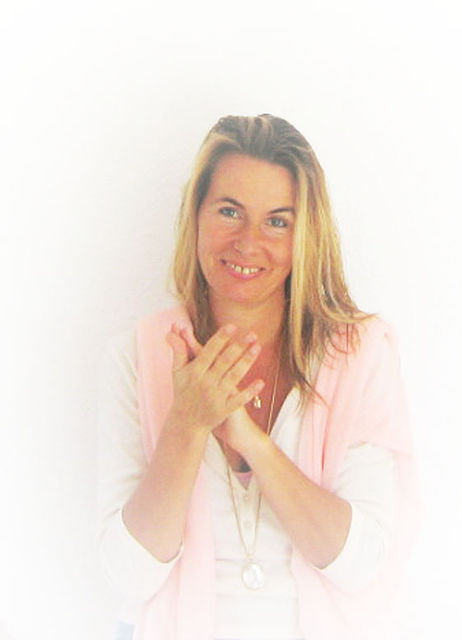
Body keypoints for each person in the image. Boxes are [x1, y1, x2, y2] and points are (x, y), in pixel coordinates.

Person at [96, 114, 419, 640]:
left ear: (306, 234)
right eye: (229, 211)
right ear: (196, 216)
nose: (248, 243)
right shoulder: (137, 356)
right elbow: (128, 578)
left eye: (277, 222)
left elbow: (363, 564)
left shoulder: (360, 355)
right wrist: (187, 423)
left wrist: (251, 441)